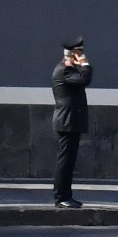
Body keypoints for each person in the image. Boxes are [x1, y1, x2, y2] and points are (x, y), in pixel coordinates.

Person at [49, 38, 91, 209]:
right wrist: (85, 64)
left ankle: (66, 196)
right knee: (65, 162)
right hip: (67, 122)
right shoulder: (65, 70)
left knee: (68, 161)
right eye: (79, 53)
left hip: (70, 121)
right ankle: (61, 197)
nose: (82, 56)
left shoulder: (69, 69)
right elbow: (85, 79)